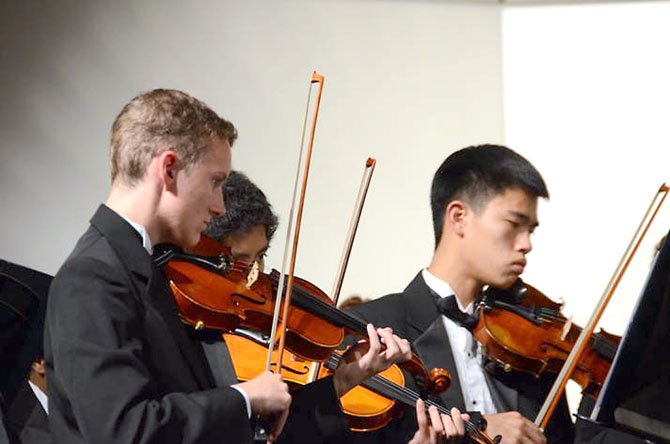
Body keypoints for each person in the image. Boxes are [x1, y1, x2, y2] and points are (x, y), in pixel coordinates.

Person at [44, 89, 293, 444]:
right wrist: (244, 398)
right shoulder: (92, 277)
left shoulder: (141, 264)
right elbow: (125, 430)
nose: (220, 206)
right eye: (215, 182)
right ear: (169, 169)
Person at [200, 170, 470, 444]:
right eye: (239, 261)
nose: (255, 275)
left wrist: (341, 382)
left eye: (261, 257)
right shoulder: (193, 341)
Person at [347, 144, 575, 444]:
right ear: (458, 217)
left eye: (530, 230)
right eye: (514, 224)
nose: (526, 244)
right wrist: (478, 427)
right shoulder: (373, 326)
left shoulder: (530, 340)